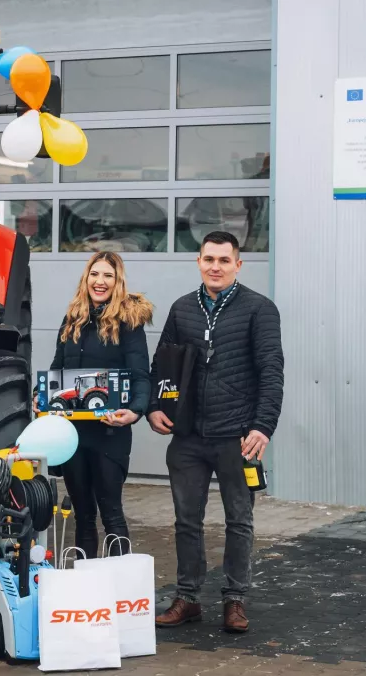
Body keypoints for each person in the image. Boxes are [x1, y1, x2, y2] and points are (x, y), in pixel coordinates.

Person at [147, 231, 284, 634]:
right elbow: (162, 364)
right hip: (188, 436)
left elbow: (271, 371)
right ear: (199, 262)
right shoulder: (182, 309)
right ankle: (187, 598)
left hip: (236, 436)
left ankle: (234, 600)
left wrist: (262, 426)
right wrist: (154, 406)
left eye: (224, 260)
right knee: (186, 520)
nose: (216, 267)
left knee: (239, 521)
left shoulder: (259, 309)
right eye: (209, 259)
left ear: (238, 265)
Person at [34, 252, 153, 560]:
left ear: (118, 281)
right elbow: (58, 367)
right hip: (72, 436)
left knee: (111, 512)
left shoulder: (129, 321)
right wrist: (40, 395)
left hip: (109, 434)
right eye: (95, 274)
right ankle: (84, 577)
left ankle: (121, 579)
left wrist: (135, 411)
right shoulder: (73, 318)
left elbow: (141, 375)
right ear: (86, 278)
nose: (100, 281)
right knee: (82, 513)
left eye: (108, 276)